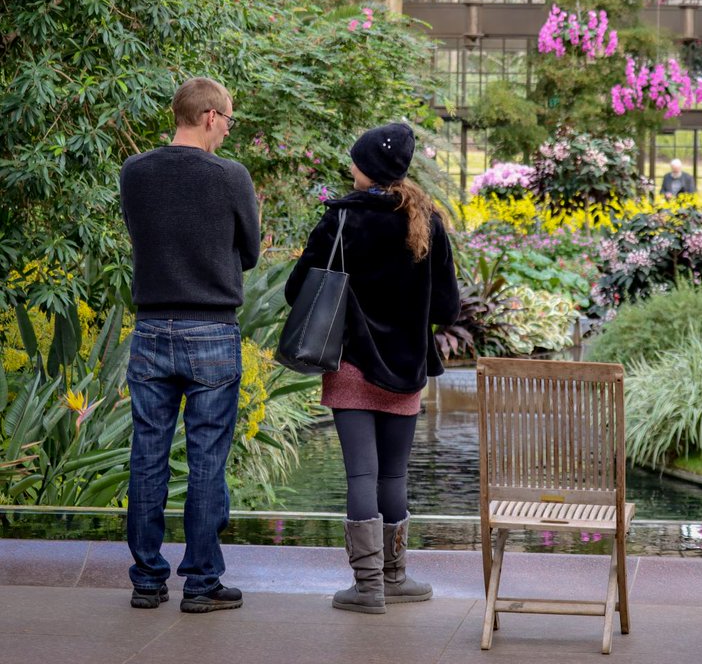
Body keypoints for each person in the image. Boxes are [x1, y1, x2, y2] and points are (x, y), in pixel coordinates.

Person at [285, 122, 459, 614]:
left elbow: (297, 291)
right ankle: (395, 576)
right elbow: (447, 306)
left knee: (362, 476)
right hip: (405, 367)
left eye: (355, 159)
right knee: (394, 477)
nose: (350, 167)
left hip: (350, 365)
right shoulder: (428, 220)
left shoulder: (341, 219)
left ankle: (367, 588)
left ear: (369, 168)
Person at [120, 76, 259, 613]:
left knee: (147, 454)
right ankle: (202, 582)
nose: (227, 129)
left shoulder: (135, 172)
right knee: (207, 459)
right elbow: (247, 252)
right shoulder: (230, 177)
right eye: (228, 119)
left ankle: (147, 580)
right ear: (208, 116)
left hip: (152, 329)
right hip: (211, 331)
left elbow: (142, 234)